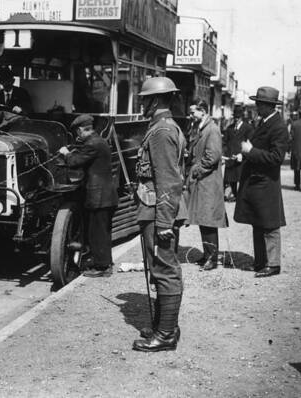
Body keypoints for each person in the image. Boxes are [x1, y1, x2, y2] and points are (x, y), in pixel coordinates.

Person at [131, 77, 187, 353]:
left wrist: (164, 222)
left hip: (158, 213)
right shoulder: (160, 128)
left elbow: (168, 181)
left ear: (155, 100)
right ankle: (165, 327)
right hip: (153, 209)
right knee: (159, 267)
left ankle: (165, 335)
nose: (141, 103)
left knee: (164, 270)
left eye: (144, 99)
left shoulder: (162, 131)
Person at [234, 87, 287, 278]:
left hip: (266, 182)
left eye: (259, 103)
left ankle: (273, 264)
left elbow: (276, 157)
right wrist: (245, 154)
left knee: (269, 224)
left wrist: (250, 152)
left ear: (268, 105)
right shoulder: (265, 122)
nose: (256, 106)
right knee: (258, 222)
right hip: (257, 181)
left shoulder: (278, 126)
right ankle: (260, 262)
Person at [58, 114, 118, 277]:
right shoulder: (98, 141)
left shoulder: (92, 144)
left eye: (77, 133)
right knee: (102, 232)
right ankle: (104, 263)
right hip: (106, 195)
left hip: (99, 197)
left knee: (97, 232)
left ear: (80, 130)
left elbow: (74, 162)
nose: (78, 136)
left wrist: (65, 153)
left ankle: (102, 268)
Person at [185, 99, 228, 271]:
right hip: (203, 182)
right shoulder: (202, 127)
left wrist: (196, 170)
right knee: (203, 219)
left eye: (193, 111)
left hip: (208, 183)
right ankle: (208, 254)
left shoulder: (212, 129)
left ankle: (212, 258)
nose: (190, 115)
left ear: (202, 111)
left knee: (208, 221)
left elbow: (213, 157)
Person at [223, 107, 254, 201]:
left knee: (241, 177)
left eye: (238, 117)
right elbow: (225, 142)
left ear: (242, 117)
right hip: (230, 157)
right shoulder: (229, 128)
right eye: (235, 117)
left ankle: (241, 196)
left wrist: (241, 154)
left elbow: (250, 143)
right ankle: (233, 194)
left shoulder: (248, 128)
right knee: (231, 177)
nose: (236, 119)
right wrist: (225, 154)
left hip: (241, 157)